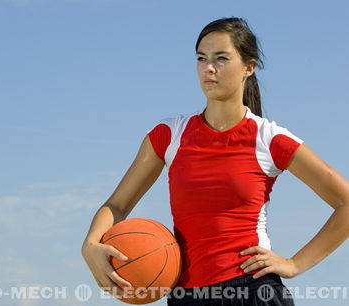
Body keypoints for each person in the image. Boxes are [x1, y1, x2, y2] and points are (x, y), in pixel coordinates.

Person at [81, 17, 349, 305]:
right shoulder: (169, 135)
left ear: (249, 67)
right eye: (201, 58)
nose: (208, 68)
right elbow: (117, 205)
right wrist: (91, 243)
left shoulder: (269, 139)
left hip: (252, 291)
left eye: (221, 58)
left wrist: (295, 264)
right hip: (186, 295)